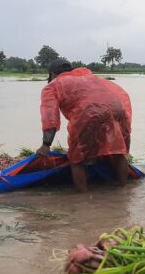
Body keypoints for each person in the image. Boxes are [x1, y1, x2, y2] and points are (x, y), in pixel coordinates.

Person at [36, 59, 132, 192]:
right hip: (117, 108)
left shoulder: (53, 85)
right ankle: (124, 192)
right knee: (118, 152)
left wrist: (46, 144)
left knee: (77, 159)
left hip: (88, 112)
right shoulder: (90, 77)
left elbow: (50, 115)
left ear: (52, 74)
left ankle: (83, 199)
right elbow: (121, 95)